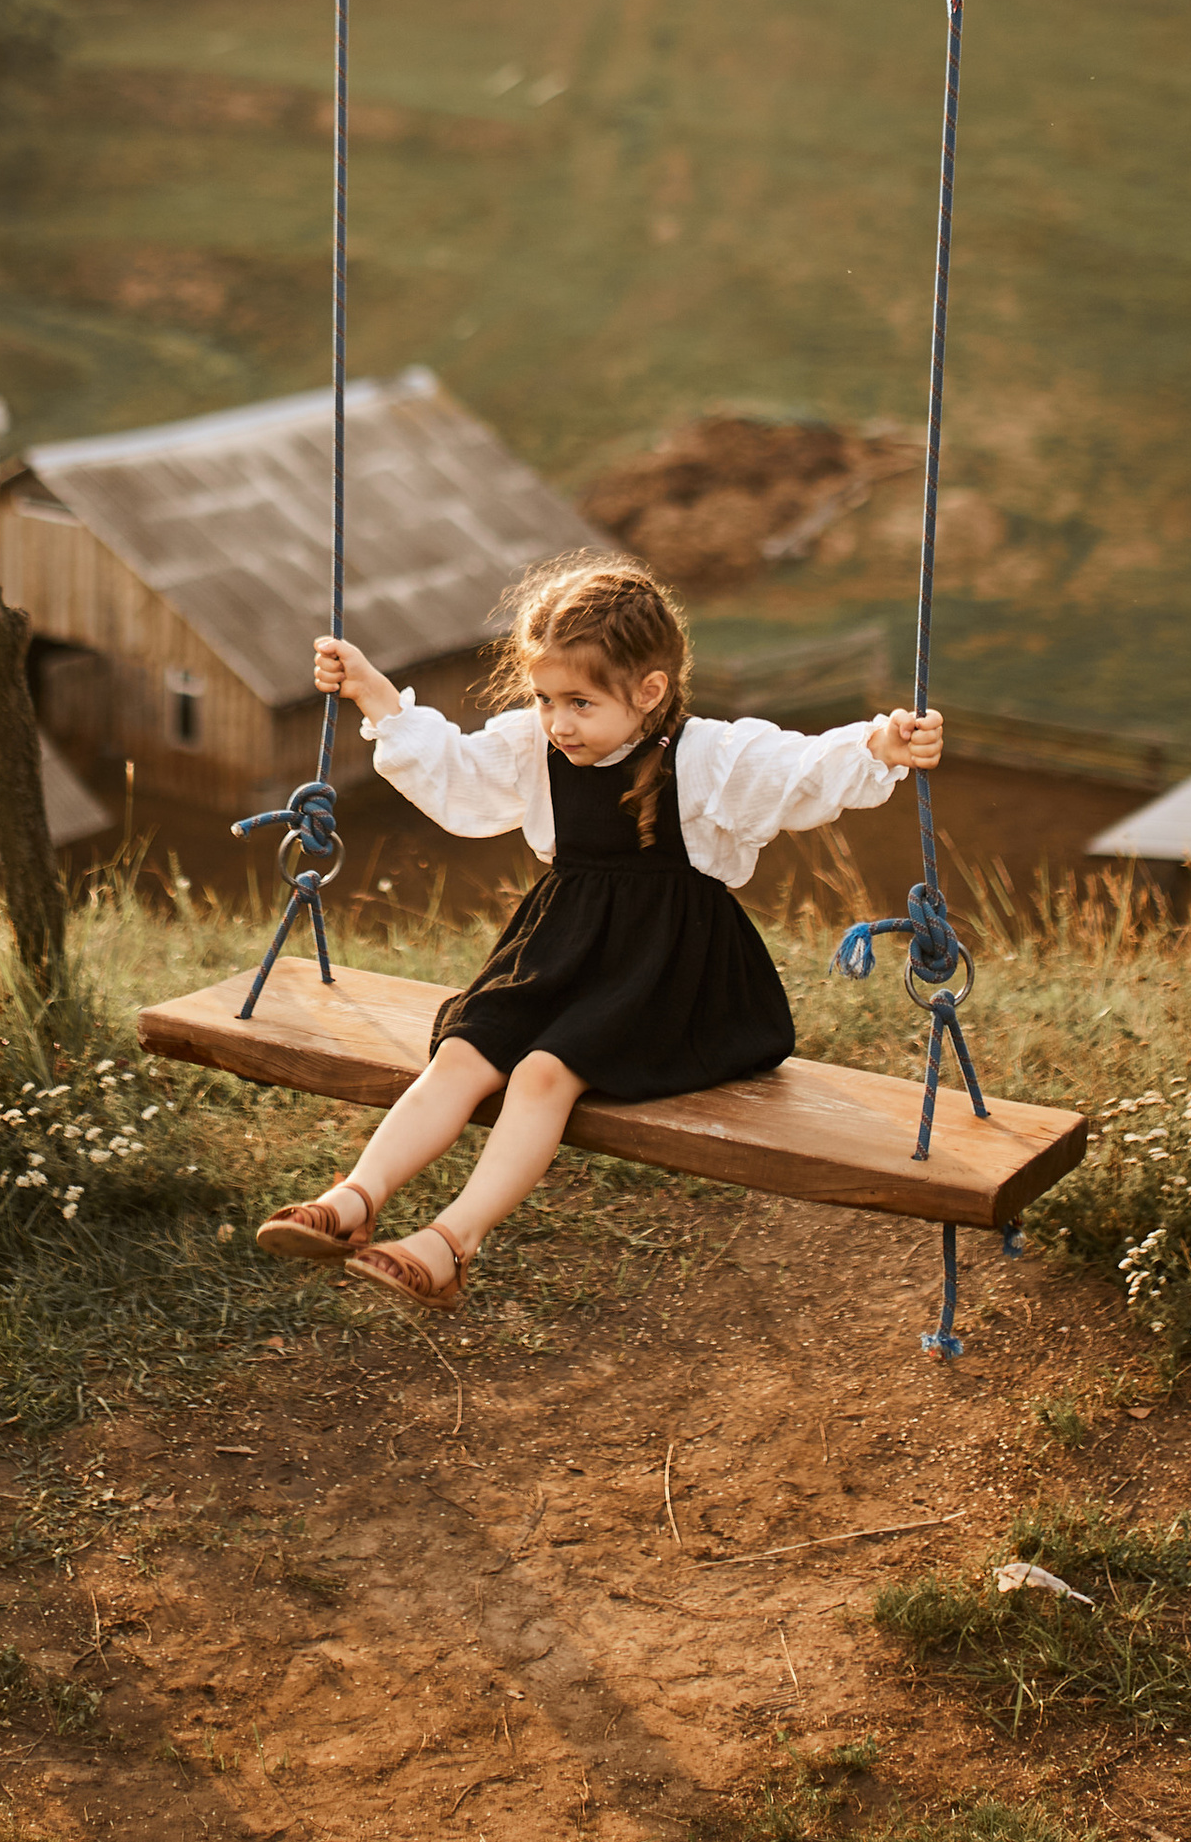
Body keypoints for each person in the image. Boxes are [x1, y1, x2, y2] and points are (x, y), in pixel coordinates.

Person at [253, 549, 942, 1312]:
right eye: (546, 699)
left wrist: (880, 744)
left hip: (673, 969)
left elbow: (796, 767)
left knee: (546, 1071)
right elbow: (458, 782)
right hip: (561, 945)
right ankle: (354, 1199)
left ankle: (450, 1243)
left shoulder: (705, 756)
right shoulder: (532, 747)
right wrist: (376, 695)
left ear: (650, 691)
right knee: (463, 1052)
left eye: (580, 703)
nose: (558, 722)